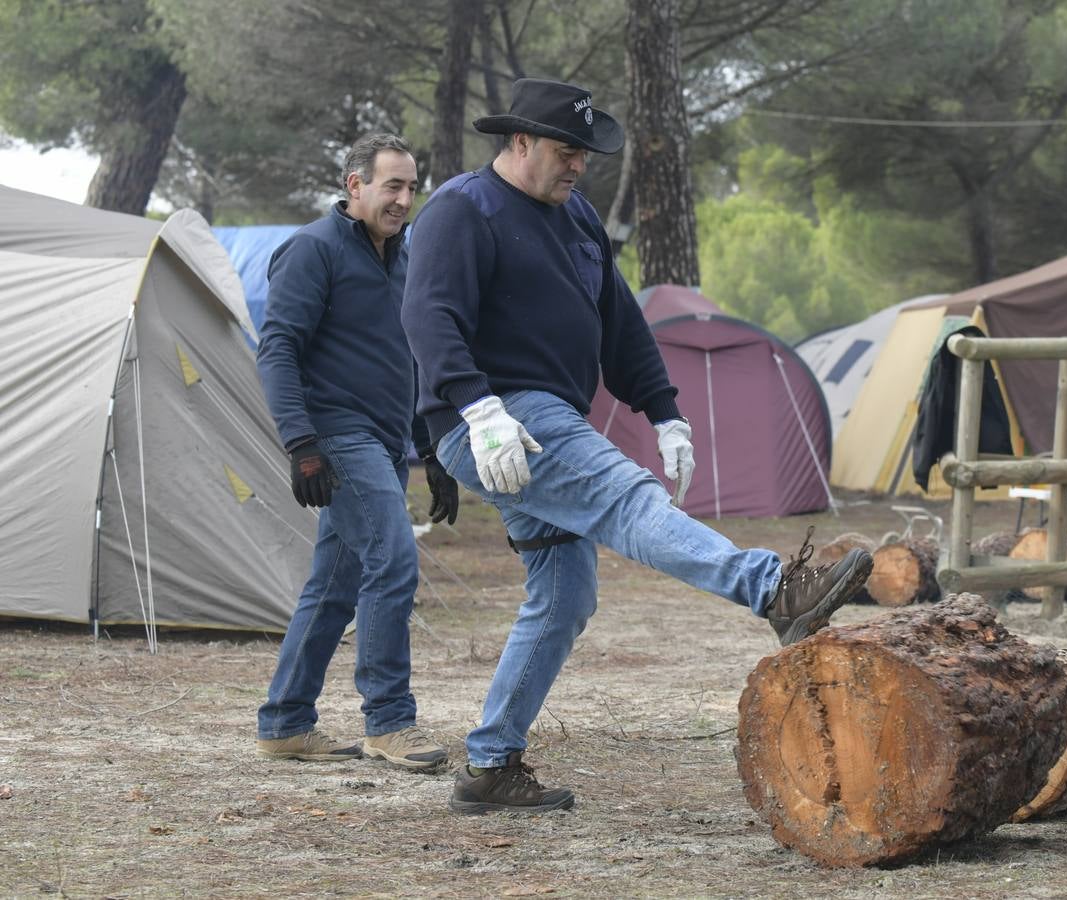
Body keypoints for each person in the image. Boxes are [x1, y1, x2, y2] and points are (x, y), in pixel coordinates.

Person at [401, 78, 873, 814]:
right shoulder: (461, 211)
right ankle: (772, 589)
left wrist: (666, 411)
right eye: (567, 151)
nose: (579, 165)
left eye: (585, 154)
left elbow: (620, 322)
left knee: (563, 596)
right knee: (626, 496)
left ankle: (490, 765)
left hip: (545, 415)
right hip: (492, 419)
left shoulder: (577, 218)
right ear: (519, 141)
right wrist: (478, 407)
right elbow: (428, 317)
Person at [254, 133, 459, 771]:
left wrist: (433, 453)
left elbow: (414, 361)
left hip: (387, 440)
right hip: (336, 435)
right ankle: (389, 720)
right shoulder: (312, 250)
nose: (403, 198)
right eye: (391, 185)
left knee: (334, 584)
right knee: (394, 558)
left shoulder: (404, 260)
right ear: (355, 185)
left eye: (410, 186)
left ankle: (286, 720)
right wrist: (302, 443)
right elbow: (278, 347)